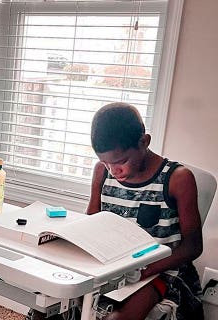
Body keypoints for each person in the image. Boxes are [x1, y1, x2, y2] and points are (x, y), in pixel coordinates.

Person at [87, 102, 204, 320]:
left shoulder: (177, 179)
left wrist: (146, 270)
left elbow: (193, 246)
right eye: (105, 162)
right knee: (50, 305)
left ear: (144, 142)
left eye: (120, 161)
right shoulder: (102, 172)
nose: (114, 170)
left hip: (161, 271)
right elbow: (92, 224)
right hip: (114, 267)